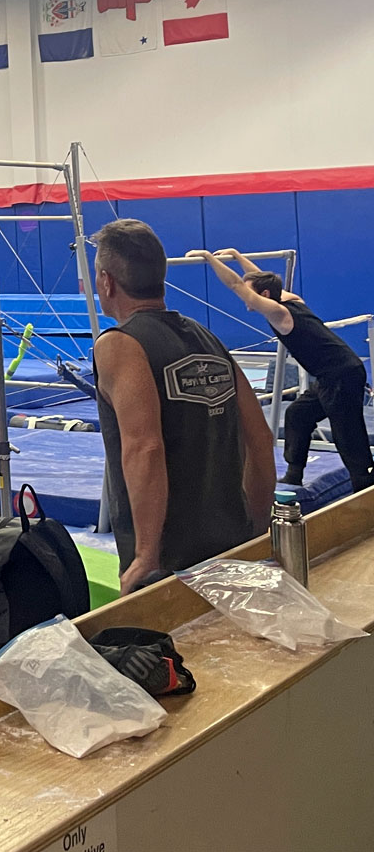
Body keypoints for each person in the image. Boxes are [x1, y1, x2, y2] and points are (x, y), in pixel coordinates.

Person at [91, 221, 276, 594]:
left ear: (107, 282)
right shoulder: (207, 338)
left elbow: (145, 447)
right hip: (230, 541)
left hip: (169, 560)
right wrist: (257, 528)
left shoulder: (118, 345)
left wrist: (146, 555)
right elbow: (260, 438)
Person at [191, 248, 374, 493]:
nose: (246, 299)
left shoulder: (279, 313)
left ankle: (364, 484)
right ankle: (294, 475)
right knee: (298, 415)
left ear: (265, 295)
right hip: (333, 373)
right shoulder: (290, 299)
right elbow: (258, 279)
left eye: (251, 294)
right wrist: (236, 255)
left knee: (347, 432)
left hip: (340, 375)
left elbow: (237, 285)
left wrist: (209, 258)